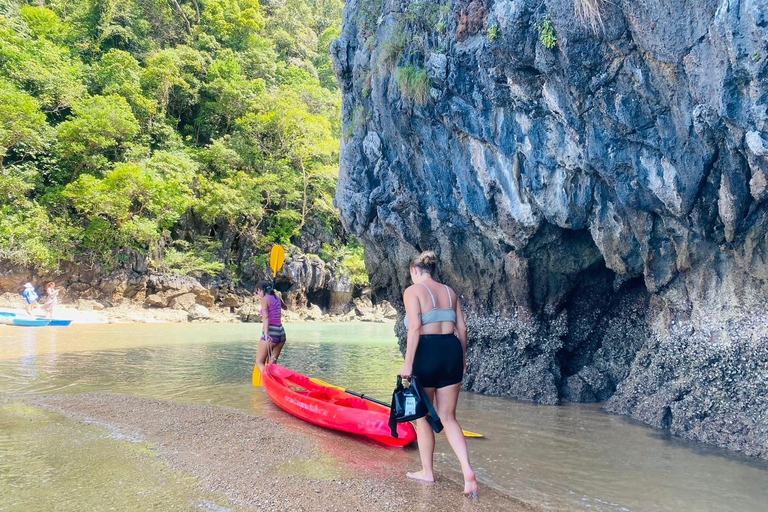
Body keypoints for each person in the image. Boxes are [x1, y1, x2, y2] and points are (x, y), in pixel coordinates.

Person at [399, 251, 478, 498]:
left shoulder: (412, 292)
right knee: (448, 417)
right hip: (452, 350)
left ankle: (427, 471)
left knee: (423, 416)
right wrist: (462, 358)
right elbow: (462, 328)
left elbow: (414, 328)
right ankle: (467, 472)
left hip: (427, 352)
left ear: (415, 271)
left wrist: (407, 364)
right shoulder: (450, 291)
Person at [255, 280, 287, 374]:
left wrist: (266, 334)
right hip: (281, 333)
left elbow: (266, 316)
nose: (257, 294)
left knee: (259, 362)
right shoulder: (277, 298)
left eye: (257, 292)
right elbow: (285, 307)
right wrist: (278, 300)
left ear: (260, 290)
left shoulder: (265, 299)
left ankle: (268, 383)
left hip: (271, 331)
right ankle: (274, 384)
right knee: (272, 362)